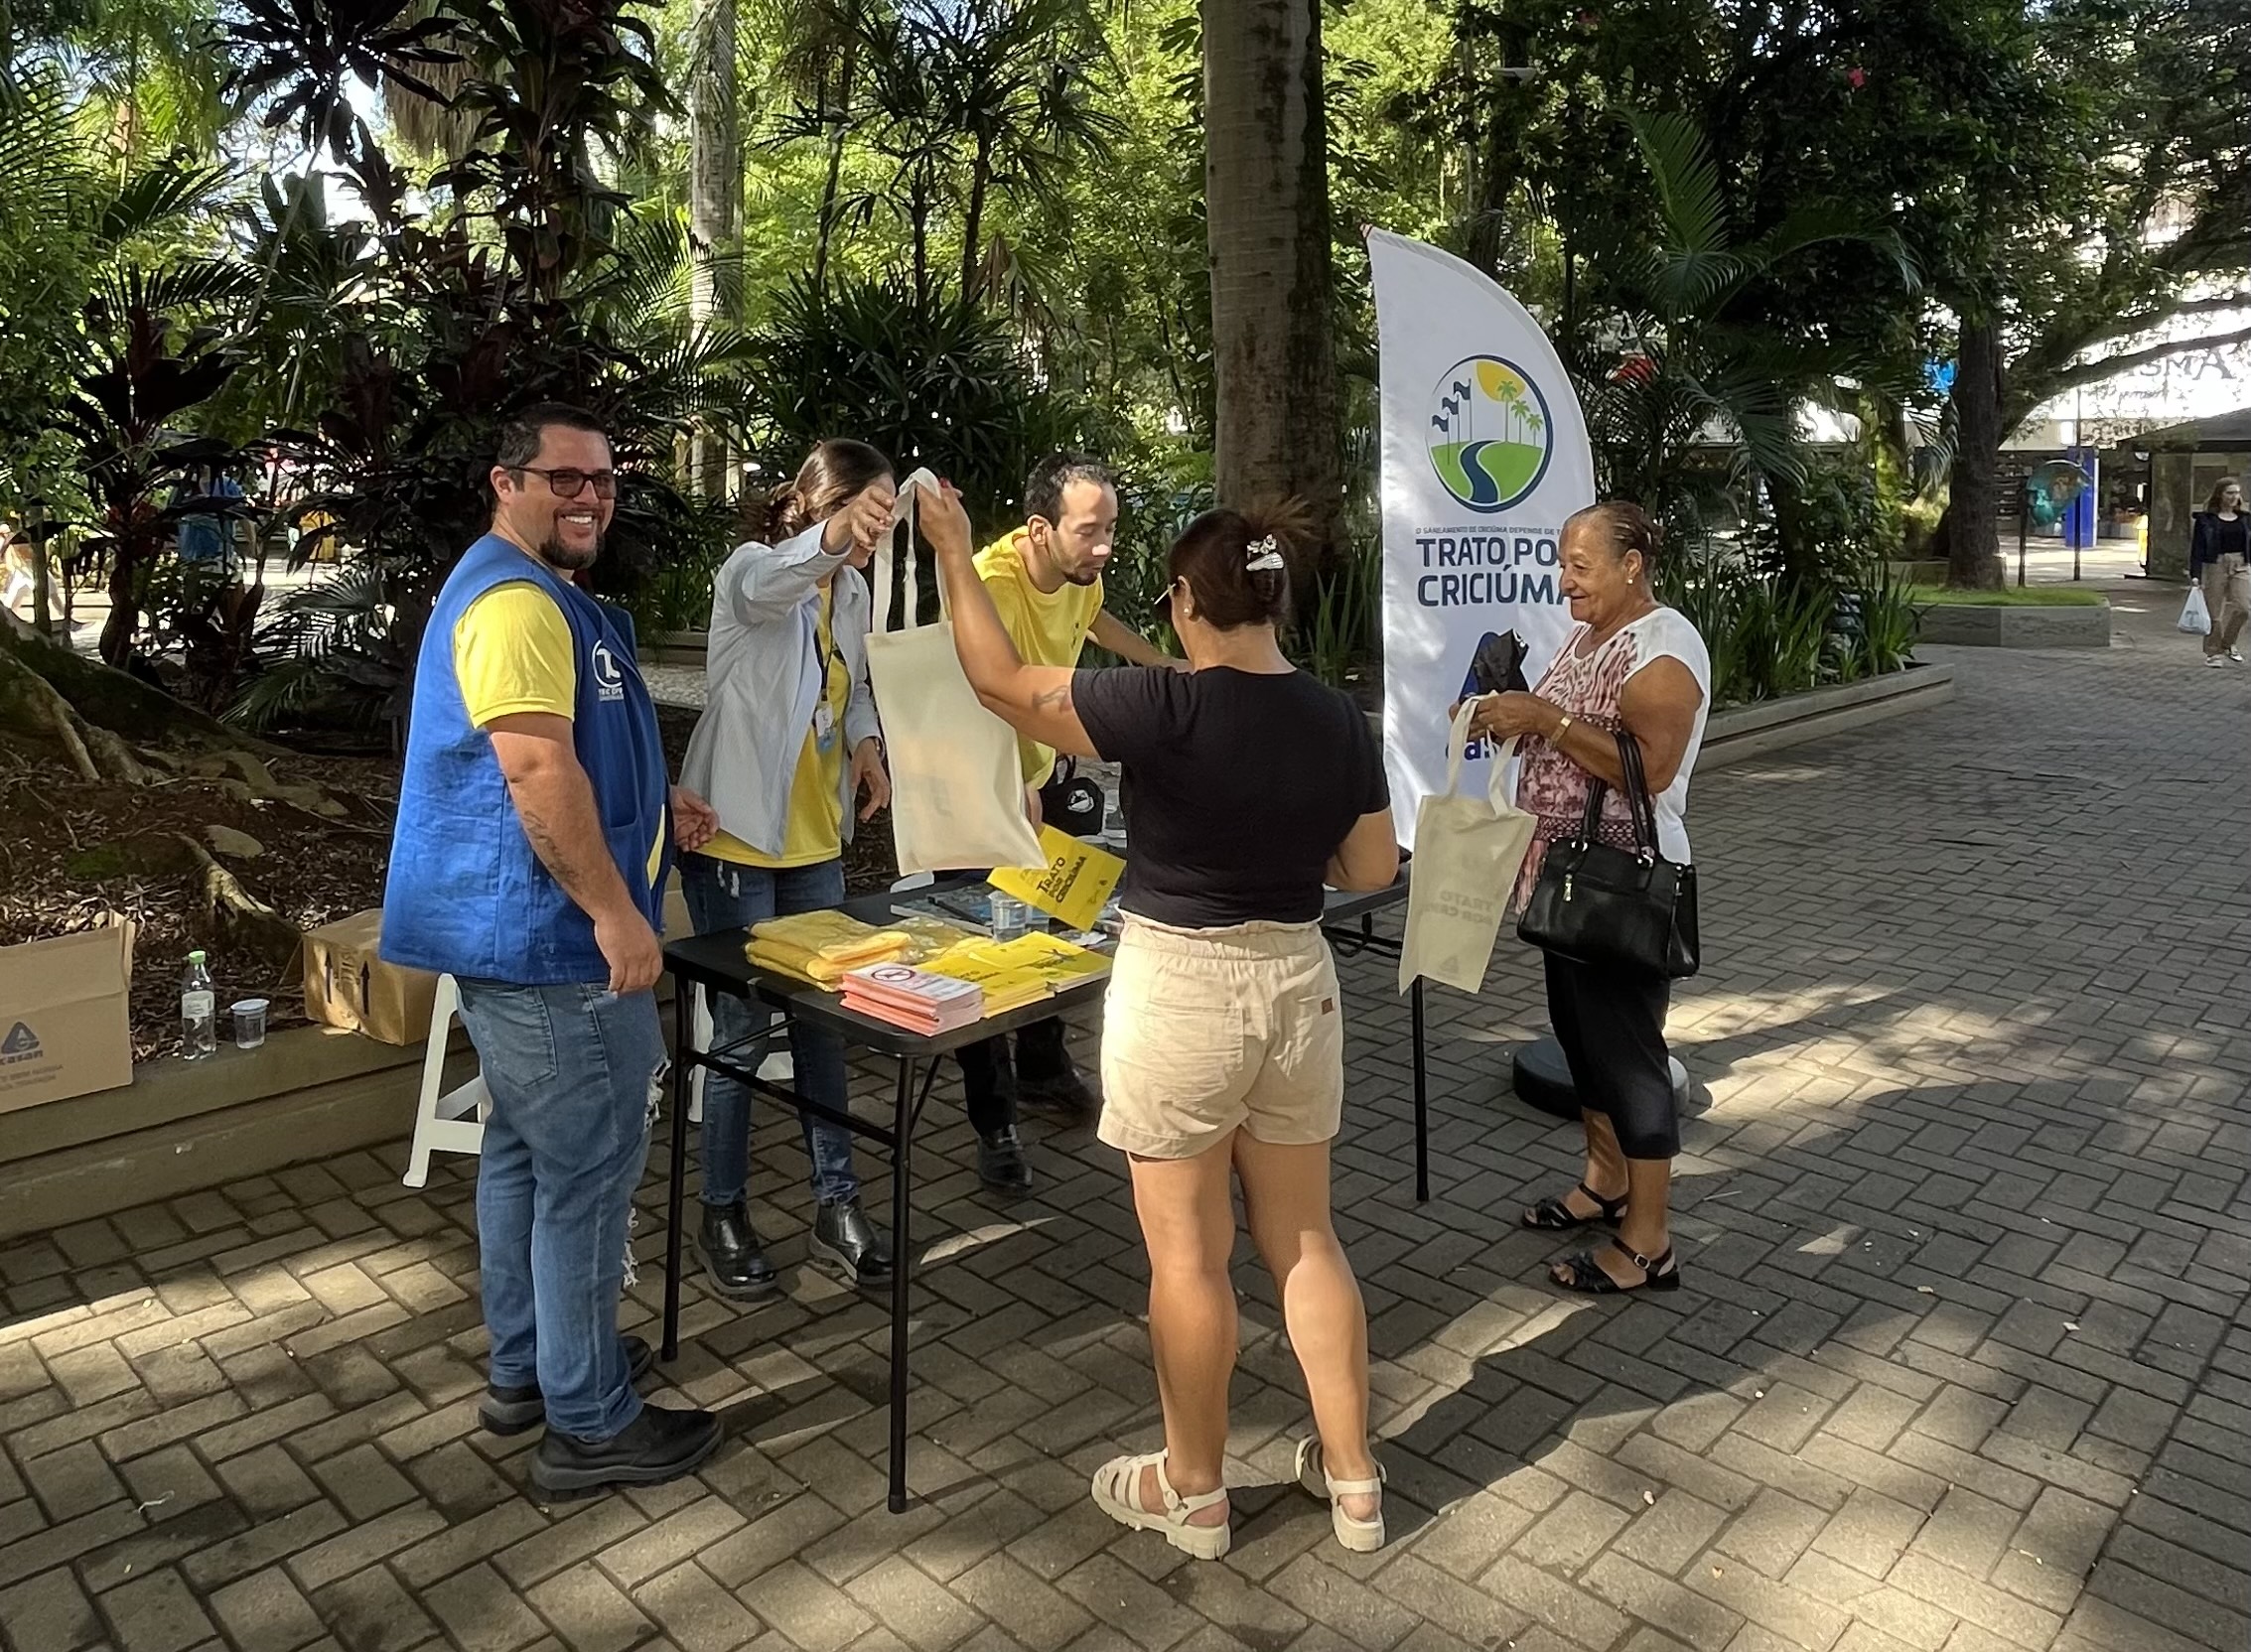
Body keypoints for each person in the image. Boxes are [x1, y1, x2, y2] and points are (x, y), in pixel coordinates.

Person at [923, 482, 1400, 1562]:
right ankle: (1354, 1477)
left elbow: (996, 682)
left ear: (1186, 601)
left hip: (1179, 984)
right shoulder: (1334, 716)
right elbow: (1368, 867)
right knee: (1307, 1237)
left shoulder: (1163, 706)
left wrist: (957, 547)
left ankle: (1193, 1491)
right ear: (1273, 602)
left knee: (1187, 1259)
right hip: (1297, 981)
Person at [381, 403, 725, 1495]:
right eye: (564, 479)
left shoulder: (552, 600)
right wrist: (619, 914)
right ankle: (588, 1420)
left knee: (529, 1155)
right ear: (505, 480)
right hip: (546, 943)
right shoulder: (517, 602)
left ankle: (530, 1367)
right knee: (588, 1167)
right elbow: (533, 775)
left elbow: (570, 747)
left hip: (521, 938)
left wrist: (657, 798)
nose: (589, 498)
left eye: (604, 483)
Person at [1462, 500, 1709, 1296]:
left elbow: (1651, 768)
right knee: (1582, 1045)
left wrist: (1549, 718)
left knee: (1629, 1059)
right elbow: (1568, 728)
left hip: (1620, 888)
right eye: (1561, 563)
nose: (1563, 580)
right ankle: (1605, 1183)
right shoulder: (1593, 634)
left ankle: (1648, 1242)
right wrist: (1517, 718)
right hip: (1566, 883)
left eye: (1579, 564)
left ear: (1631, 564)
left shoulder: (1663, 648)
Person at [676, 441, 899, 1298]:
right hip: (733, 835)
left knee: (822, 1026)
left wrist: (869, 750)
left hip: (814, 842)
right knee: (737, 1036)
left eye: (883, 515)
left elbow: (857, 687)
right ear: (822, 504)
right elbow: (774, 583)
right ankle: (720, 1212)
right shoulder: (755, 570)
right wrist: (835, 540)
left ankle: (835, 1206)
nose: (874, 532)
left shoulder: (855, 589)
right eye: (865, 511)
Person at [954, 454, 1181, 1153]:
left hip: (1044, 768)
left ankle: (1043, 1067)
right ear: (1039, 529)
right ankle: (994, 1125)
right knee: (988, 947)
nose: (1104, 547)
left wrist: (1160, 662)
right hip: (986, 778)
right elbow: (981, 686)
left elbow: (1092, 620)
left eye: (1110, 528)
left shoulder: (1081, 574)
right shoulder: (991, 581)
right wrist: (1010, 777)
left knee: (1058, 921)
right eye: (1090, 532)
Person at [2190, 476, 2247, 666]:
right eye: (2230, 493)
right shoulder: (2206, 520)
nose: (2234, 497)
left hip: (2241, 563)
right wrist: (2196, 574)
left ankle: (2229, 643)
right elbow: (2197, 548)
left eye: (2237, 493)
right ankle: (2213, 653)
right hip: (2215, 564)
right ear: (2220, 495)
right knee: (2214, 612)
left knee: (2244, 608)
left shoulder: (2245, 519)